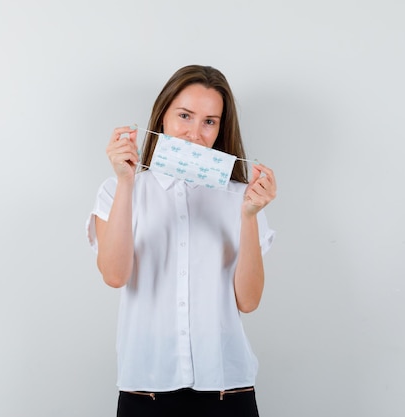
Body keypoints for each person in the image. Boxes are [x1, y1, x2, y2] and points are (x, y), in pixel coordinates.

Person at [86, 65, 277, 417]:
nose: (194, 134)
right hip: (147, 392)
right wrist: (127, 182)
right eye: (185, 116)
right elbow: (115, 275)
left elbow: (248, 301)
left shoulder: (241, 199)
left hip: (227, 391)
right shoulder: (117, 190)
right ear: (161, 118)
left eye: (209, 121)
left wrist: (248, 215)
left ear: (221, 128)